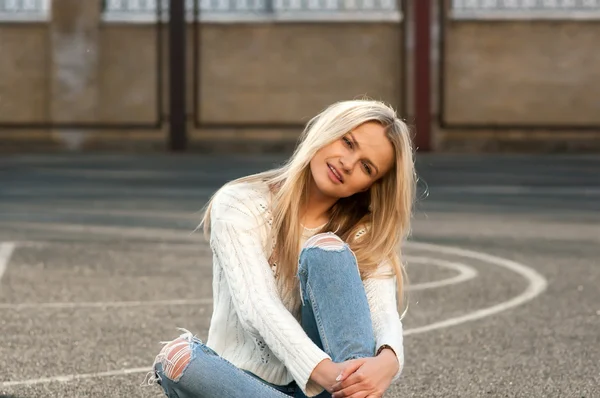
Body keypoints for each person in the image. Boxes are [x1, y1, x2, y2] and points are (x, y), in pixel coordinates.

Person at [147, 99, 416, 398]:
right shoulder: (240, 202)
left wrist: (389, 360)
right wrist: (336, 377)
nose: (347, 163)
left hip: (330, 389)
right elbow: (258, 306)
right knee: (178, 359)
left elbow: (384, 312)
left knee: (327, 250)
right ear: (327, 131)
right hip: (243, 384)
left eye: (366, 167)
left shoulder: (363, 230)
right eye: (348, 142)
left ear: (368, 185)